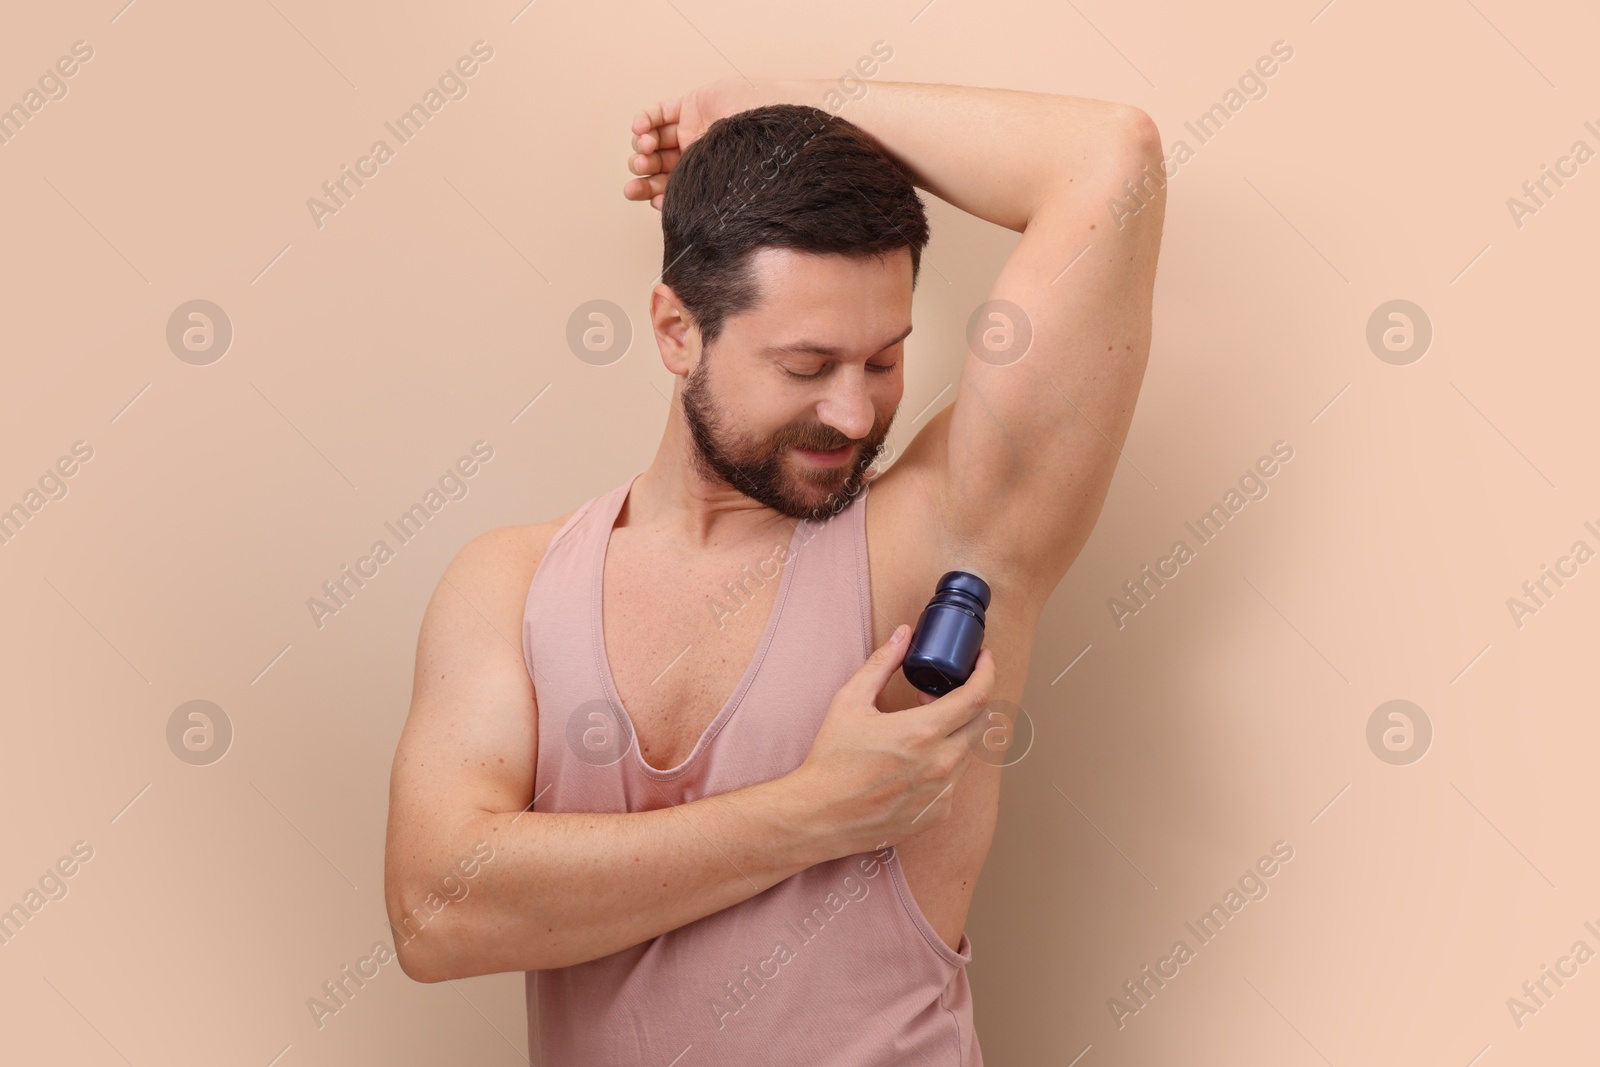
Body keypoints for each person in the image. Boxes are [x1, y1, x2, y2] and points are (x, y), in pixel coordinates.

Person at [383, 76, 1164, 1064]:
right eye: (805, 366)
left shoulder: (939, 537)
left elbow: (1112, 157)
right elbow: (435, 912)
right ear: (676, 329)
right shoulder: (511, 585)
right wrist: (810, 814)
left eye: (883, 362)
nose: (851, 414)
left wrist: (793, 101)